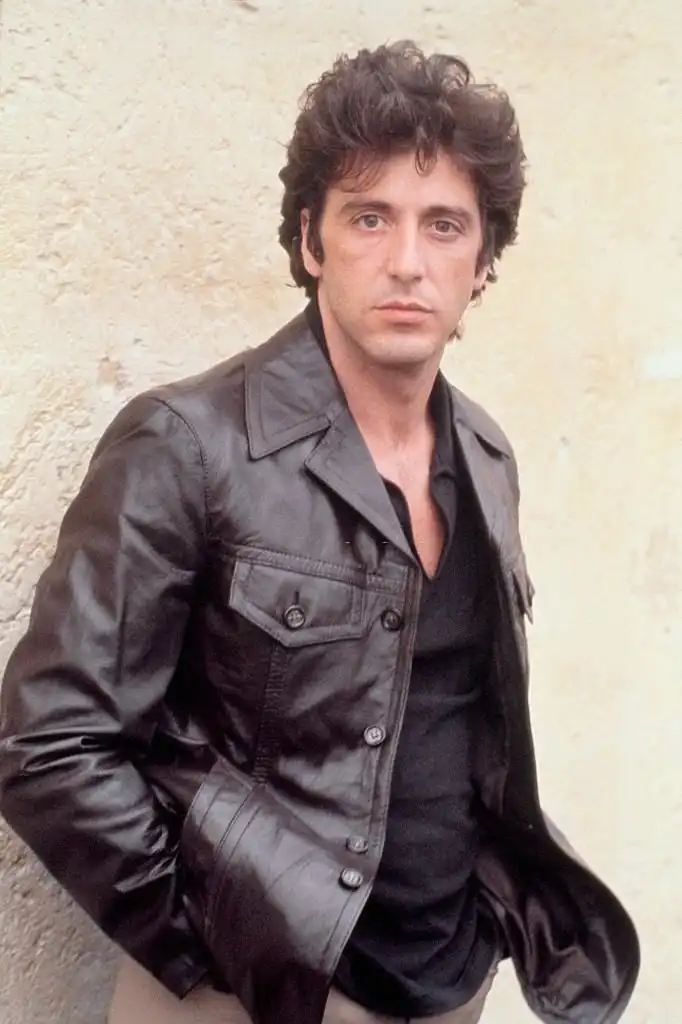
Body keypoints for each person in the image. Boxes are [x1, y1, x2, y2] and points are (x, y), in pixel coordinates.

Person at [0, 41, 639, 1024]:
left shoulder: (485, 453)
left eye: (443, 225)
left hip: (449, 984)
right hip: (248, 995)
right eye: (369, 217)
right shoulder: (188, 443)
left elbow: (463, 727)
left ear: (483, 262)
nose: (407, 262)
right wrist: (217, 948)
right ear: (311, 240)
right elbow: (48, 743)